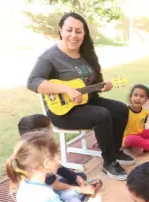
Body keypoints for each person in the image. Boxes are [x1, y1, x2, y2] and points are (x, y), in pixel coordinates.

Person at [26, 12, 133, 181]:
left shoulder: (87, 54)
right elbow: (33, 82)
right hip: (63, 112)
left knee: (120, 109)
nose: (73, 35)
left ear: (84, 34)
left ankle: (114, 150)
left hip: (88, 101)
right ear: (61, 30)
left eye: (78, 31)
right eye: (69, 30)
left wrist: (105, 86)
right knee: (102, 115)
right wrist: (66, 89)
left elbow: (95, 84)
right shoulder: (50, 57)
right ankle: (109, 162)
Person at [17, 114, 102, 202]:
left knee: (81, 176)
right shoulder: (38, 159)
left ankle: (81, 193)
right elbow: (55, 185)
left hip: (51, 187)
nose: (52, 130)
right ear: (42, 134)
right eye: (50, 127)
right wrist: (80, 189)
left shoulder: (33, 150)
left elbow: (58, 168)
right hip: (49, 196)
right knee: (73, 197)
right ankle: (80, 198)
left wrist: (75, 177)